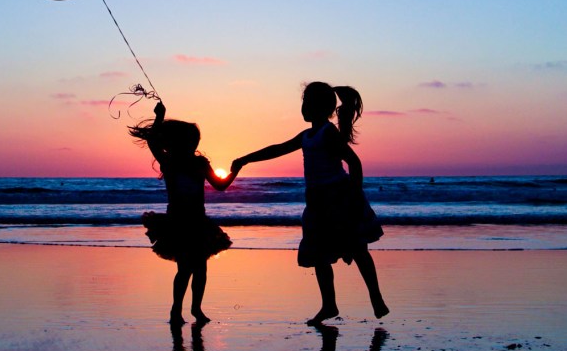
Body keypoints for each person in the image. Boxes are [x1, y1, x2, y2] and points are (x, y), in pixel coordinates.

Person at [231, 82, 388, 325]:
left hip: (338, 197)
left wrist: (355, 196)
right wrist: (245, 159)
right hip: (316, 203)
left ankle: (376, 297)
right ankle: (329, 305)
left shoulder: (327, 132)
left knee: (357, 248)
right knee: (320, 255)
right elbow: (278, 149)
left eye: (306, 103)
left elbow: (354, 163)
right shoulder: (307, 135)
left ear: (318, 107)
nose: (303, 108)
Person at [130, 101, 235, 326]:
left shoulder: (200, 163)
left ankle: (196, 308)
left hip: (198, 222)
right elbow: (152, 141)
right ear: (180, 143)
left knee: (200, 268)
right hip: (178, 222)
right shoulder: (169, 162)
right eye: (191, 140)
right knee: (185, 268)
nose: (194, 144)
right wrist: (159, 117)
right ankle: (176, 311)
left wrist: (234, 172)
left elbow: (220, 186)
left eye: (195, 141)